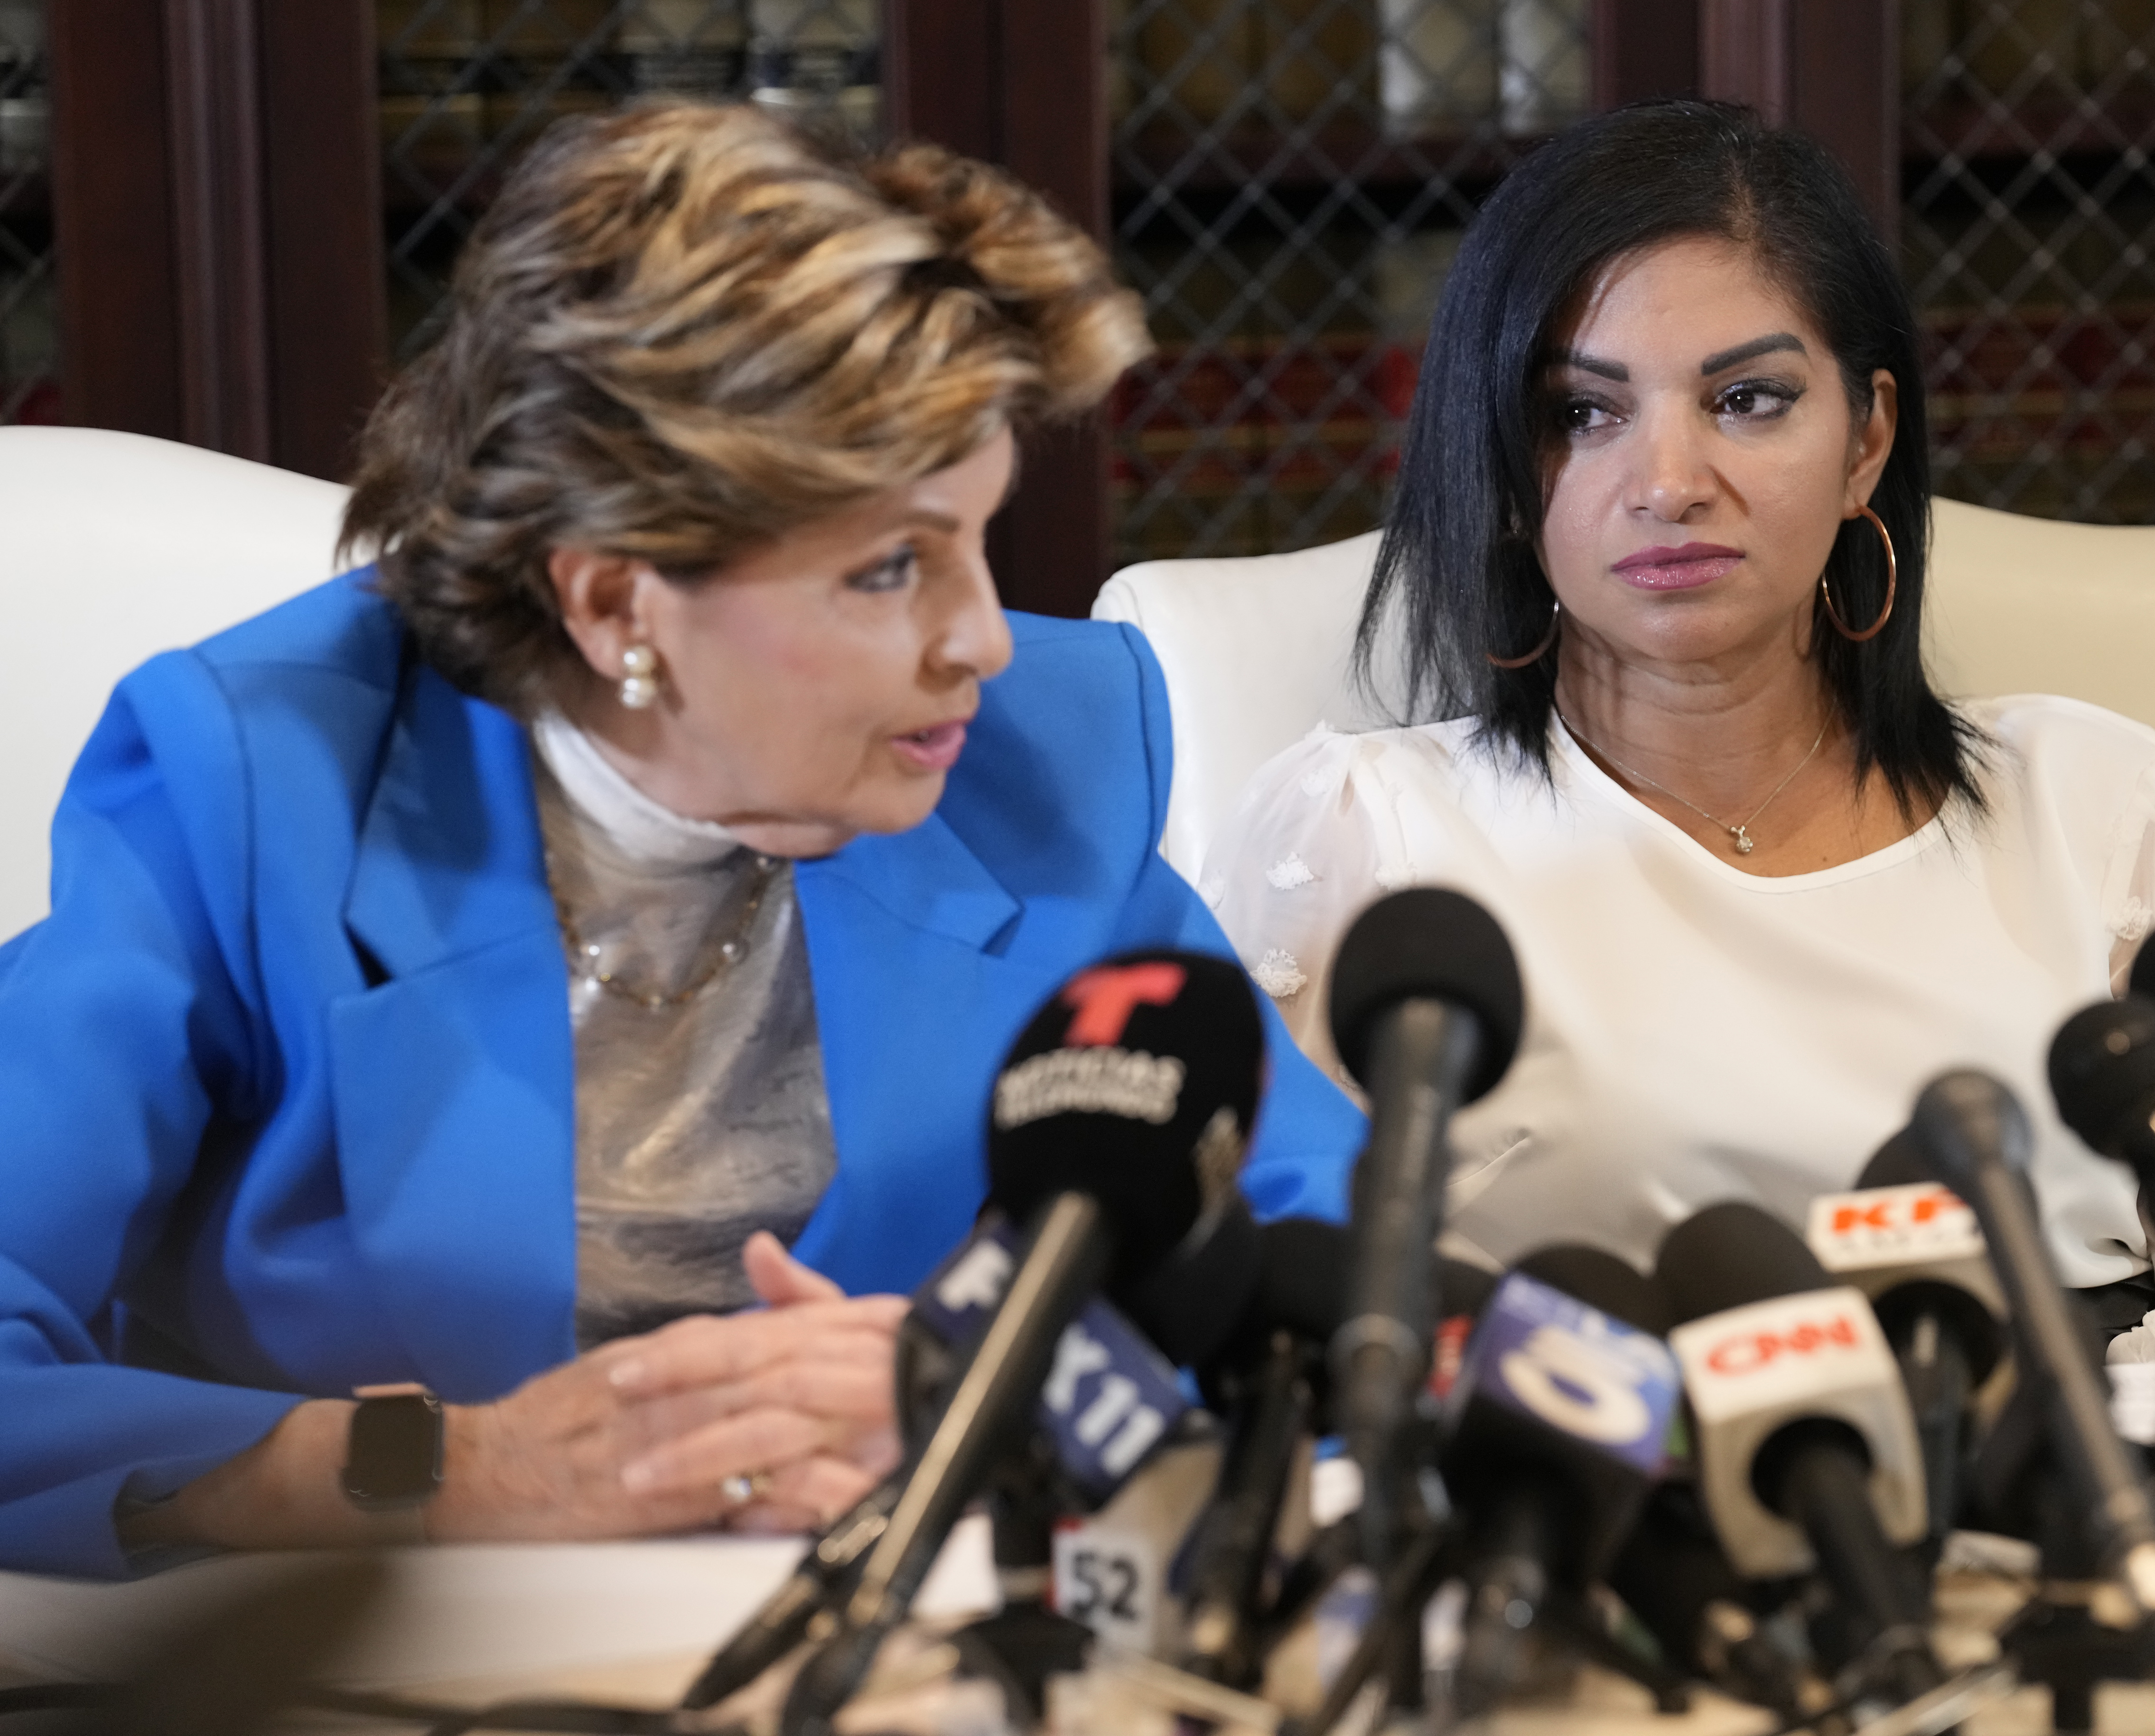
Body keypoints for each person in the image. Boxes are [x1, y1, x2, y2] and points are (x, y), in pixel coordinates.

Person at [0, 104, 1360, 1578]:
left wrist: (1014, 1405)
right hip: (354, 1652)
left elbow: (1346, 1297)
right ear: (610, 603)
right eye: (890, 565)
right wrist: (443, 1469)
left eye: (977, 536)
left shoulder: (1036, 774)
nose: (979, 639)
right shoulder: (256, 785)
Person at [1207, 100, 2155, 1329]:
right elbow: (1264, 1314)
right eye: (1581, 414)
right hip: (1579, 1489)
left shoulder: (2108, 815)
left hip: (2067, 1474)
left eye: (1746, 399)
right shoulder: (1362, 846)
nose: (1666, 484)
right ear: (1497, 460)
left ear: (1865, 439)